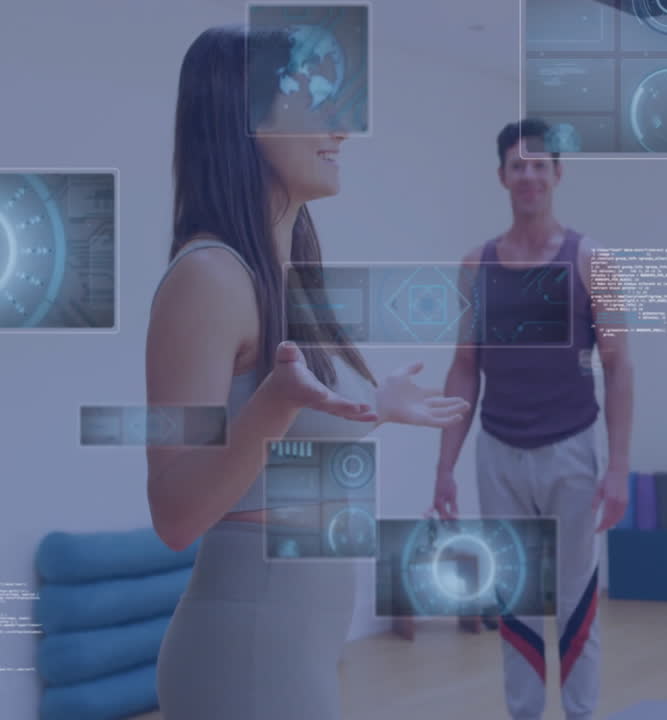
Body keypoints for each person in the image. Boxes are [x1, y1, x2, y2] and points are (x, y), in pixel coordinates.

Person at [146, 25, 469, 720]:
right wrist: (274, 408)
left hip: (296, 650)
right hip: (245, 656)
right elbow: (174, 512)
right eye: (314, 102)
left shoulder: (286, 274)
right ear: (248, 120)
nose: (341, 128)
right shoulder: (208, 278)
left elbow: (282, 431)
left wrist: (371, 405)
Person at [431, 118, 635, 720]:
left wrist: (618, 467)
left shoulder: (589, 258)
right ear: (501, 177)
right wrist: (445, 467)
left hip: (572, 448)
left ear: (558, 174)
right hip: (498, 450)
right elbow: (464, 368)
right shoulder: (477, 265)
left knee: (576, 596)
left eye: (540, 164)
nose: (529, 175)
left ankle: (581, 713)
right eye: (517, 165)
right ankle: (524, 712)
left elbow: (620, 366)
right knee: (513, 595)